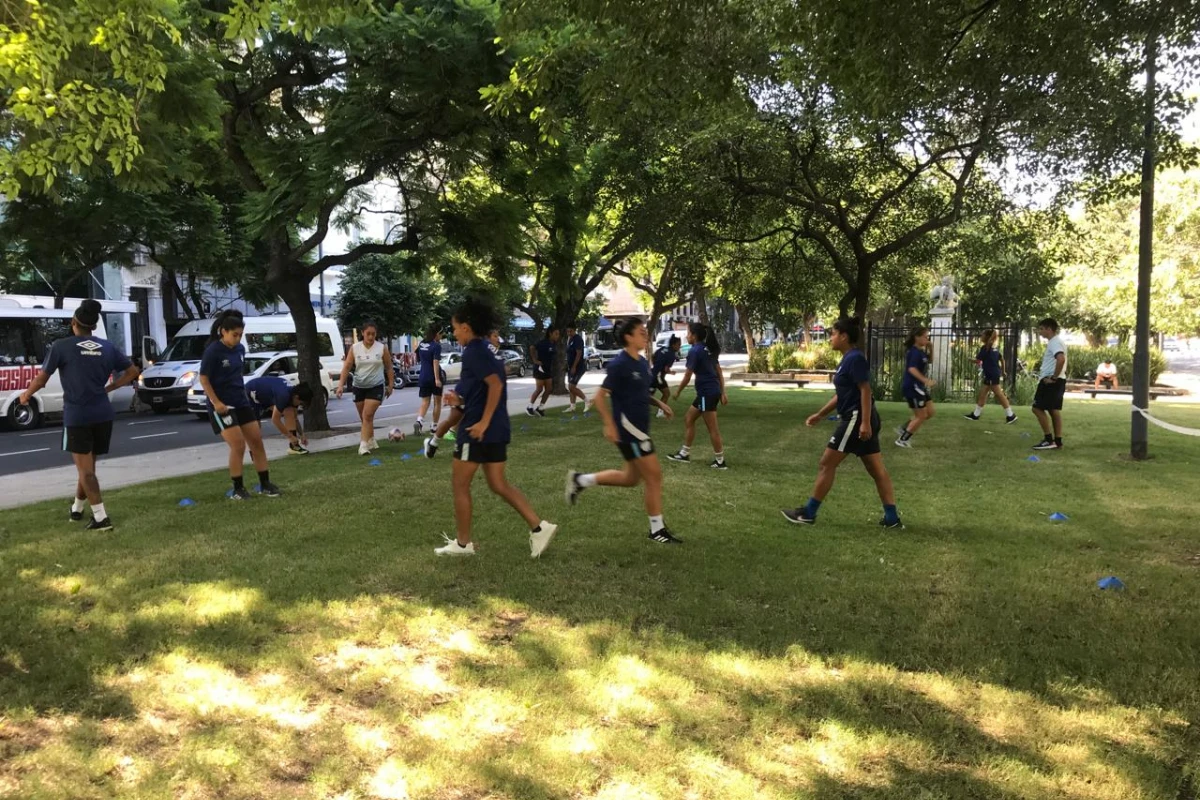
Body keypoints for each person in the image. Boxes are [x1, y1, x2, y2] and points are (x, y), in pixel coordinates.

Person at [435, 297, 558, 558]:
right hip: (496, 429)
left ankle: (463, 544)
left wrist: (482, 421)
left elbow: (496, 385)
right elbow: (484, 387)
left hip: (478, 431)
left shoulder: (474, 351)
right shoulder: (485, 351)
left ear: (466, 327)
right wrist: (459, 399)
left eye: (455, 328)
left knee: (459, 485)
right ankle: (539, 527)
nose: (454, 333)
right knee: (498, 484)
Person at [17, 299, 140, 531]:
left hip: (78, 415)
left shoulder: (61, 346)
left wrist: (25, 395)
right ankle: (77, 509)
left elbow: (42, 379)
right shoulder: (108, 347)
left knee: (85, 470)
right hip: (103, 414)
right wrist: (111, 388)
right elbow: (133, 371)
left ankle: (101, 519)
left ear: (74, 322)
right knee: (88, 468)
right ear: (93, 327)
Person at [565, 319, 681, 544]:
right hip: (630, 431)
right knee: (654, 476)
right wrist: (609, 424)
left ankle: (580, 480)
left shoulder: (641, 363)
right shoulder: (620, 364)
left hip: (639, 428)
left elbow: (638, 393)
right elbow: (600, 396)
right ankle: (657, 530)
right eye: (641, 332)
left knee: (630, 479)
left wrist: (661, 404)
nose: (645, 335)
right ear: (628, 337)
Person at [782, 317, 903, 529]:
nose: (831, 338)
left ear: (844, 336)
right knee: (876, 470)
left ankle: (808, 513)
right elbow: (842, 395)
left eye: (833, 334)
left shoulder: (855, 358)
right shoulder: (847, 359)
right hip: (859, 418)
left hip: (856, 419)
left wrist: (864, 423)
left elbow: (865, 390)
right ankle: (892, 518)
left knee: (827, 463)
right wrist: (820, 414)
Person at [199, 310, 281, 499]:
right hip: (222, 406)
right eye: (234, 335)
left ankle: (265, 484)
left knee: (257, 442)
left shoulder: (240, 350)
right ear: (223, 331)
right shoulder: (213, 351)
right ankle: (237, 489)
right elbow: (204, 379)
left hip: (241, 401)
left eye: (240, 335)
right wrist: (216, 402)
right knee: (238, 445)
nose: (237, 339)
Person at [424, 330, 503, 459]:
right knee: (452, 420)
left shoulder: (490, 351)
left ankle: (471, 447)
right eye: (495, 336)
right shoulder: (479, 349)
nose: (498, 339)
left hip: (477, 394)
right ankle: (433, 442)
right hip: (466, 392)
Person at [667, 322, 728, 469]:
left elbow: (688, 376)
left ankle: (720, 461)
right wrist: (722, 392)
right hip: (708, 392)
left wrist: (677, 392)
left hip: (707, 393)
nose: (687, 336)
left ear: (694, 336)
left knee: (712, 428)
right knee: (689, 419)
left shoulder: (695, 351)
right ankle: (684, 453)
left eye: (688, 333)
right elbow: (718, 372)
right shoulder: (707, 349)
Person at [336, 322, 394, 455]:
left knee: (367, 415)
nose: (371, 337)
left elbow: (389, 367)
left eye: (373, 334)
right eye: (368, 334)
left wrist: (390, 385)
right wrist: (340, 385)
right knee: (364, 418)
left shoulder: (382, 348)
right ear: (362, 333)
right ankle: (371, 439)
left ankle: (363, 446)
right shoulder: (355, 348)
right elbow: (347, 367)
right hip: (359, 386)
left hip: (376, 386)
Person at [246, 375, 314, 455]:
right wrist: (290, 436)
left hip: (266, 394)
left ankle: (294, 446)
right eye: (301, 403)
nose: (299, 405)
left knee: (290, 412)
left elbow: (295, 418)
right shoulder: (283, 396)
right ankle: (253, 451)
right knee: (256, 425)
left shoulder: (293, 395)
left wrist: (302, 434)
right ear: (296, 397)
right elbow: (275, 420)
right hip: (251, 393)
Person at [964, 329, 1017, 423]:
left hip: (991, 375)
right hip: (992, 375)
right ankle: (975, 415)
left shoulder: (985, 348)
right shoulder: (994, 348)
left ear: (986, 337)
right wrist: (1003, 371)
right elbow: (1002, 359)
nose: (981, 337)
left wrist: (969, 359)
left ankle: (1010, 415)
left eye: (982, 335)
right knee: (983, 394)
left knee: (1000, 395)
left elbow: (978, 360)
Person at [895, 326, 937, 448]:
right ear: (916, 337)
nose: (927, 338)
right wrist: (926, 380)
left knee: (930, 412)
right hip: (912, 387)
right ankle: (902, 439)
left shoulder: (921, 352)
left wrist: (931, 347)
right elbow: (912, 369)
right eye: (925, 336)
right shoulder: (913, 352)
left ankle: (904, 428)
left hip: (919, 387)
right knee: (921, 416)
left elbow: (929, 360)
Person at [1032, 317, 1068, 450]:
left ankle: (1049, 440)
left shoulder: (1054, 342)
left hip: (1051, 381)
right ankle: (1057, 441)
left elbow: (1061, 359)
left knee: (1036, 408)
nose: (1040, 331)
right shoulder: (1056, 342)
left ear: (1049, 329)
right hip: (1057, 380)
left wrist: (1053, 377)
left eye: (1041, 329)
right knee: (1053, 410)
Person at [414, 324, 444, 435]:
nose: (442, 336)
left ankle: (419, 420)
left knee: (425, 402)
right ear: (437, 334)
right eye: (441, 334)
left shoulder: (422, 344)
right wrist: (437, 379)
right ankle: (434, 427)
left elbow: (417, 355)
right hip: (433, 376)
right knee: (437, 402)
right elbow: (435, 362)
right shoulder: (436, 346)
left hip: (423, 375)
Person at [526, 328, 560, 417]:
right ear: (550, 333)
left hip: (548, 369)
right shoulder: (543, 342)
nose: (558, 336)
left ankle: (540, 408)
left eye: (558, 334)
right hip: (540, 369)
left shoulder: (554, 344)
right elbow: (532, 347)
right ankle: (530, 407)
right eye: (556, 334)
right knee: (539, 389)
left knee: (549, 389)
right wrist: (535, 360)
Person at [651, 335, 682, 417]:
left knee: (648, 396)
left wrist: (656, 366)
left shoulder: (662, 349)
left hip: (652, 373)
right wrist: (671, 372)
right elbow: (666, 369)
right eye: (679, 344)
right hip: (658, 376)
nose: (680, 346)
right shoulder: (672, 355)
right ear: (673, 345)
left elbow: (653, 356)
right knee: (666, 394)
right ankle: (660, 412)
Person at [564, 325, 588, 413]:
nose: (569, 333)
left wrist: (574, 366)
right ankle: (572, 406)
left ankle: (587, 401)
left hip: (578, 367)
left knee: (572, 387)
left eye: (570, 331)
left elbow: (578, 354)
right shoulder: (569, 339)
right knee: (570, 387)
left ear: (575, 330)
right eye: (567, 331)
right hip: (571, 367)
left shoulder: (577, 339)